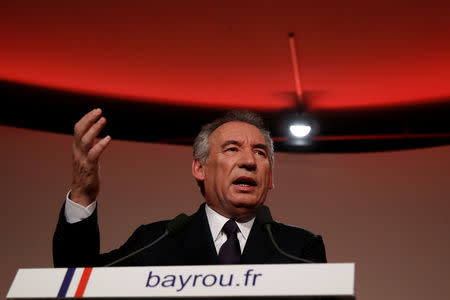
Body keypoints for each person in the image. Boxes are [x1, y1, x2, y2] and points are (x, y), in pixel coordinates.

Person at [53, 109, 326, 267]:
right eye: (232, 149)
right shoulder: (154, 241)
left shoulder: (299, 249)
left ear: (271, 178)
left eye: (260, 153)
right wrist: (83, 193)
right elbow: (75, 278)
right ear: (199, 168)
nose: (248, 162)